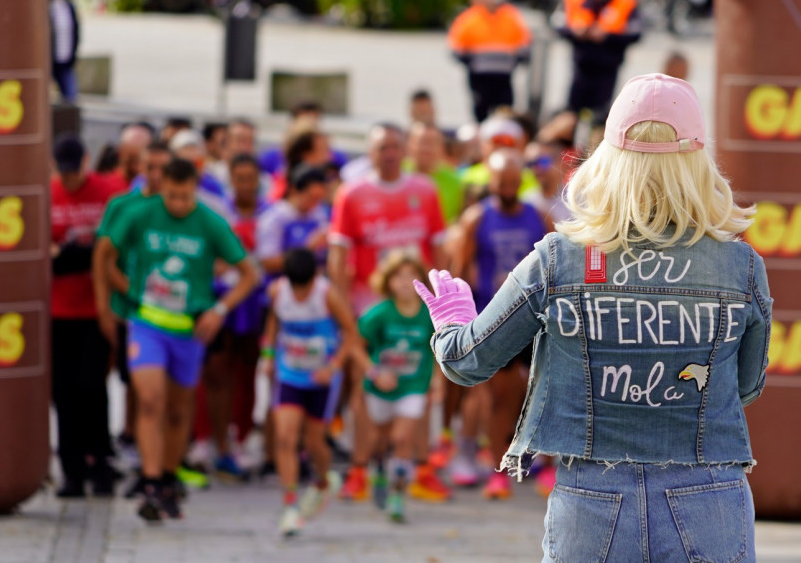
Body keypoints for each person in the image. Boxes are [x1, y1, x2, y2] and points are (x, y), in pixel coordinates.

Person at [415, 74, 771, 561]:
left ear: (608, 160)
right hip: (709, 490)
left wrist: (451, 323)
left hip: (592, 497)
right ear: (698, 164)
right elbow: (746, 386)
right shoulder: (741, 265)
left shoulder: (558, 259)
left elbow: (467, 362)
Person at [102, 158, 258, 522]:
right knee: (151, 400)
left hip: (189, 328)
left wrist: (219, 310)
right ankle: (151, 480)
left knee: (177, 410)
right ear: (163, 187)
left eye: (186, 197)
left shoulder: (209, 221)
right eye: (172, 196)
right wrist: (123, 294)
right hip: (147, 323)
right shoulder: (141, 213)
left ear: (195, 189)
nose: (179, 204)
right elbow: (105, 254)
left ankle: (169, 477)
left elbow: (249, 273)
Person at [328, 123, 448, 502]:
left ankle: (421, 466)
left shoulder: (424, 191)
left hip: (417, 307)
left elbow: (441, 248)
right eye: (382, 148)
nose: (390, 154)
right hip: (370, 307)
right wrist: (343, 308)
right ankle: (361, 469)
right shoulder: (352, 194)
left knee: (422, 380)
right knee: (364, 384)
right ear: (370, 152)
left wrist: (445, 302)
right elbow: (338, 256)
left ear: (406, 150)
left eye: (396, 146)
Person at [260, 248, 387, 536]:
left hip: (321, 378)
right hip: (290, 373)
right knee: (285, 438)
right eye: (296, 288)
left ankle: (322, 479)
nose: (301, 294)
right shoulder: (278, 291)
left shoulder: (326, 294)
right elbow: (273, 322)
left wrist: (334, 366)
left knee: (314, 442)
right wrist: (267, 355)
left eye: (305, 287)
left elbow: (351, 333)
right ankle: (291, 503)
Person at [450, 150, 550, 498]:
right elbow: (460, 269)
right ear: (490, 182)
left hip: (536, 318)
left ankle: (547, 466)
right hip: (495, 318)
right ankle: (498, 470)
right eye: (500, 182)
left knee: (545, 389)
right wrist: (463, 318)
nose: (507, 188)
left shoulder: (538, 217)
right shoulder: (477, 219)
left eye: (512, 181)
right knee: (498, 396)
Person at [94, 141, 173, 470]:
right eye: (149, 167)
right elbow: (103, 258)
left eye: (162, 168)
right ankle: (125, 443)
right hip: (129, 309)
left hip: (167, 314)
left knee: (155, 390)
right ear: (138, 167)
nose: (155, 175)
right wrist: (109, 303)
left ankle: (157, 459)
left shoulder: (177, 208)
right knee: (131, 381)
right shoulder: (123, 205)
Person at [50, 134, 120, 497]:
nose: (70, 180)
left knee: (93, 386)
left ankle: (101, 462)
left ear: (86, 162)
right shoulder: (49, 194)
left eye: (75, 172)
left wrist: (68, 255)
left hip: (96, 308)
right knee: (64, 392)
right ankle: (71, 469)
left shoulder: (108, 191)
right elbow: (48, 257)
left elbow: (112, 250)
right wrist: (80, 256)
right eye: (64, 173)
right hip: (59, 310)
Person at [199, 153, 269, 480]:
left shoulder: (269, 213)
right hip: (223, 297)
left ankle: (240, 437)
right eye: (238, 178)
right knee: (217, 370)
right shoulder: (219, 212)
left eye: (250, 178)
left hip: (256, 302)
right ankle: (214, 438)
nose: (244, 185)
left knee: (248, 368)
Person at [359, 251, 440, 522]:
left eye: (412, 275)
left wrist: (439, 382)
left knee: (402, 438)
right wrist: (374, 372)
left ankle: (397, 495)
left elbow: (441, 349)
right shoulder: (379, 314)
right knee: (379, 440)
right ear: (388, 281)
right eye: (399, 276)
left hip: (414, 385)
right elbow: (355, 346)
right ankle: (379, 469)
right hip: (380, 388)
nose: (406, 282)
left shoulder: (430, 315)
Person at [560, 0, 642, 123]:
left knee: (600, 115)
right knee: (572, 113)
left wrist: (607, 36)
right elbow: (558, 23)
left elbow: (636, 33)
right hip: (581, 64)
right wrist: (576, 32)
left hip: (608, 66)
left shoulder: (625, 0)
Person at [448, 0, 531, 122]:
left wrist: (516, 60)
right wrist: (472, 62)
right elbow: (456, 48)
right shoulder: (468, 19)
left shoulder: (510, 16)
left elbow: (524, 42)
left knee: (506, 112)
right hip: (479, 77)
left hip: (504, 76)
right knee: (481, 111)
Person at [406, 123, 465, 225]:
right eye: (422, 142)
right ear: (410, 145)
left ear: (442, 148)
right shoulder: (396, 174)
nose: (427, 148)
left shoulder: (455, 182)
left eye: (432, 143)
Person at [521, 141, 575, 224]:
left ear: (559, 162)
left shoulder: (577, 201)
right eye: (531, 164)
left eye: (543, 162)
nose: (537, 169)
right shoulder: (526, 202)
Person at [49, 0, 79, 102]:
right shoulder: (47, 5)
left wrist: (73, 54)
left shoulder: (69, 6)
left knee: (71, 96)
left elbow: (75, 32)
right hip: (50, 60)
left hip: (66, 59)